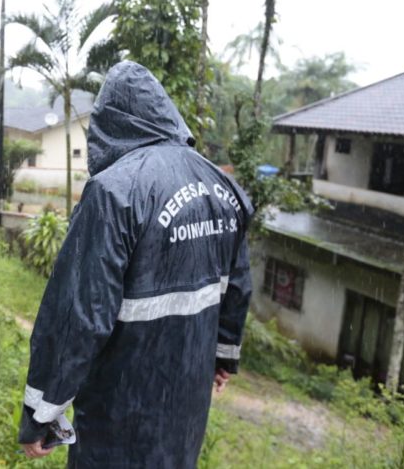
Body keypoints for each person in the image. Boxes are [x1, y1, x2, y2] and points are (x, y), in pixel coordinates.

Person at [18, 61, 254, 468]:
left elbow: (80, 314)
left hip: (119, 414)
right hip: (186, 408)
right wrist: (223, 357)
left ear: (110, 124)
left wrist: (41, 412)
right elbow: (237, 286)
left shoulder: (114, 193)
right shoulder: (223, 189)